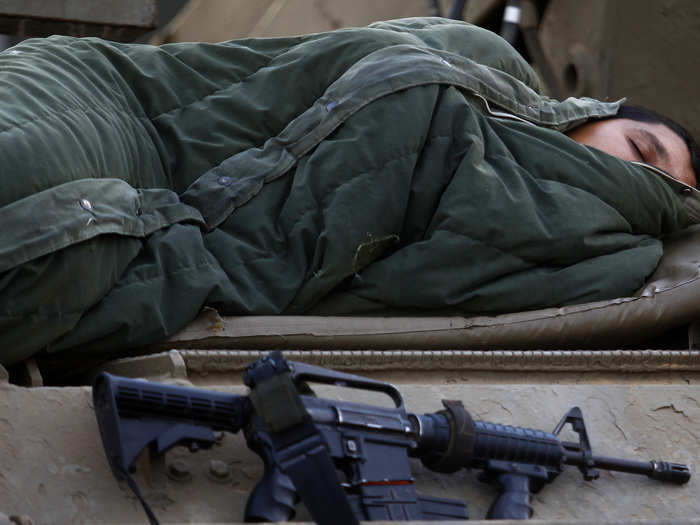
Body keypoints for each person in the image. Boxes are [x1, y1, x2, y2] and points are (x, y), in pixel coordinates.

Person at [1, 17, 699, 371]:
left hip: (144, 220)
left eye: (659, 188)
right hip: (113, 96)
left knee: (41, 242)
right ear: (599, 109)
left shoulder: (589, 248)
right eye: (641, 149)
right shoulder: (488, 58)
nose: (638, 178)